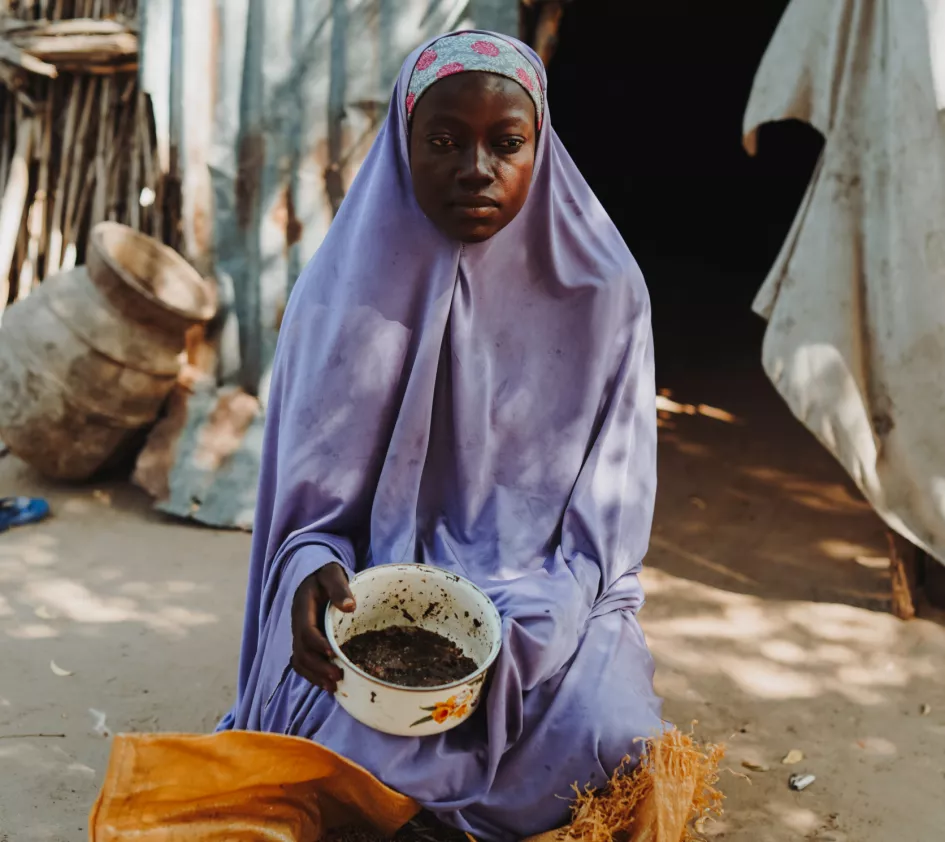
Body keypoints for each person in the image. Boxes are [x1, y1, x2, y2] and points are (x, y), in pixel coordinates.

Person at [218, 30, 664, 841]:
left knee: (610, 732)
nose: (476, 169)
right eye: (445, 141)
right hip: (377, 585)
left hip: (553, 593)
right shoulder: (340, 296)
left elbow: (608, 519)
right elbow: (310, 517)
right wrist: (312, 569)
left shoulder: (606, 294)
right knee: (352, 735)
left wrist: (543, 620)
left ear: (540, 145)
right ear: (403, 144)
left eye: (507, 143)